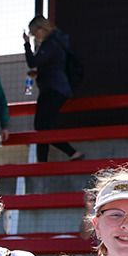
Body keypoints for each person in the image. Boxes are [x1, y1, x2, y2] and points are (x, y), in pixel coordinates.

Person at [22, 16, 83, 163]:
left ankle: (67, 154)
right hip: (59, 88)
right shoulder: (58, 42)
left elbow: (32, 62)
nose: (34, 36)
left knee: (41, 126)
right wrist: (38, 73)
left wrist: (26, 44)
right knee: (44, 126)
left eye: (33, 33)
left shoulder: (50, 43)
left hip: (52, 89)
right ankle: (48, 159)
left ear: (40, 29)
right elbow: (53, 65)